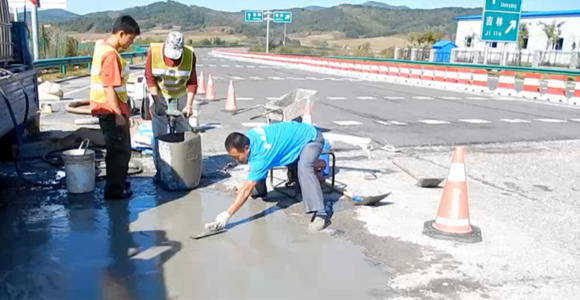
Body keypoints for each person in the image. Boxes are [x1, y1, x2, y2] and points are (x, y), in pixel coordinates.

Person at [207, 122, 330, 232]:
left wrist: (227, 214)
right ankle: (261, 191)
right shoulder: (250, 136)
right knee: (256, 169)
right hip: (295, 138)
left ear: (246, 148)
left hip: (311, 138)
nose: (236, 160)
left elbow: (246, 190)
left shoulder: (262, 156)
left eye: (237, 157)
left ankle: (321, 213)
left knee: (305, 167)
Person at [90, 16, 140, 200]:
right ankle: (115, 190)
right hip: (110, 110)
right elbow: (108, 87)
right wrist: (119, 115)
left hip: (106, 109)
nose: (131, 42)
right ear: (121, 33)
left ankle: (118, 183)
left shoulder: (102, 47)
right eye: (131, 38)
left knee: (117, 150)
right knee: (120, 152)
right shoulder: (110, 55)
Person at [144, 31, 197, 181]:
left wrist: (189, 105)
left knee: (183, 130)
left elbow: (192, 83)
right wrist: (157, 102)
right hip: (159, 92)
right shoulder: (153, 52)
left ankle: (183, 167)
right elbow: (150, 78)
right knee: (159, 132)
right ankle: (160, 169)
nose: (173, 60)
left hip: (180, 93)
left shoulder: (189, 55)